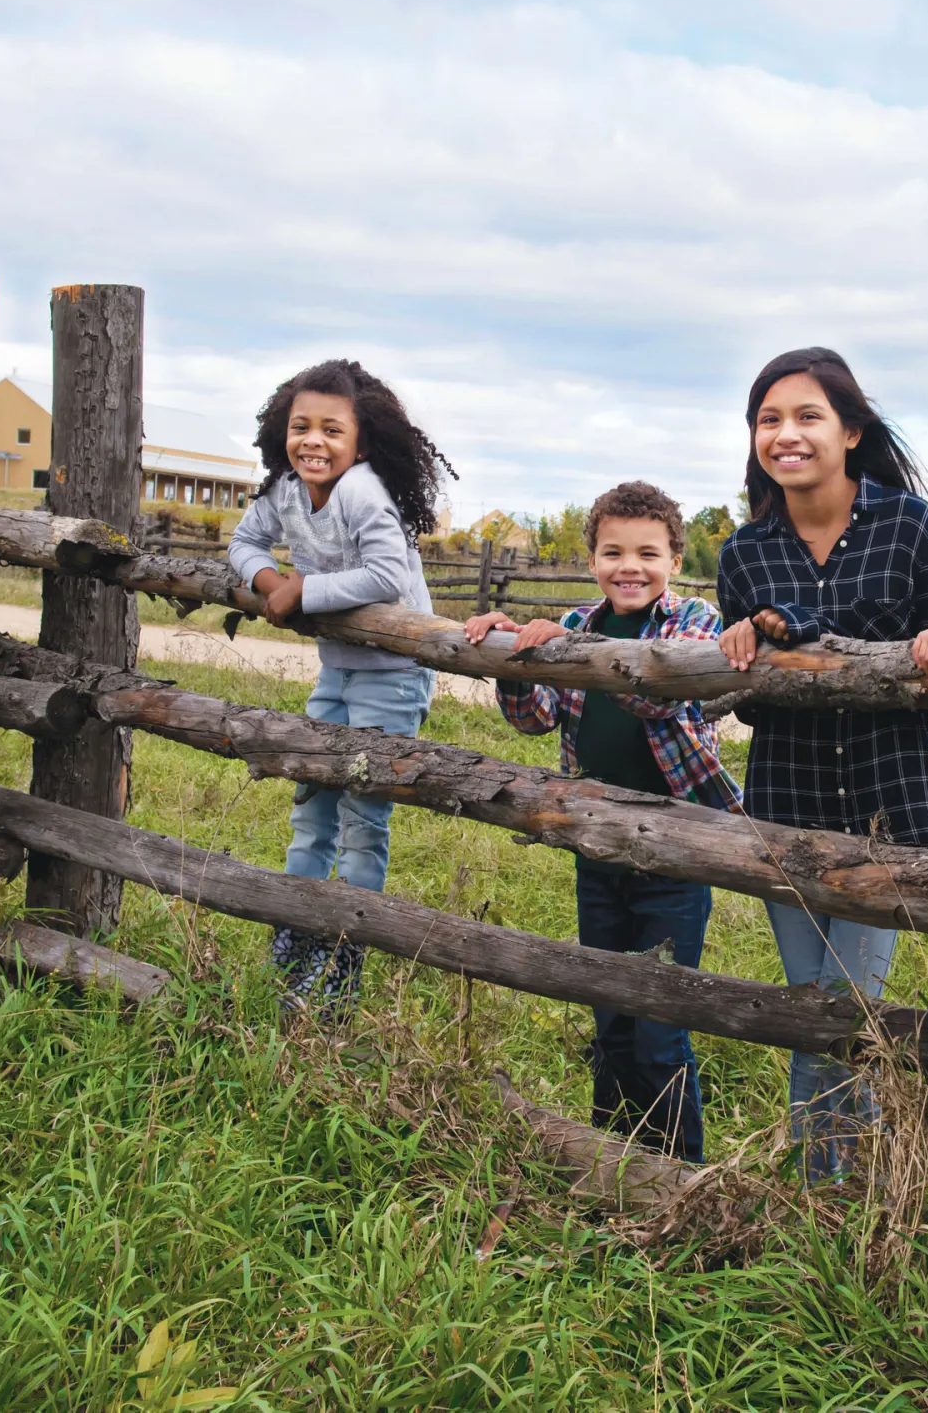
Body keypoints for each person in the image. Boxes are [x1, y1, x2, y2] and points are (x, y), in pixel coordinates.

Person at [715, 347, 928, 1180]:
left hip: (883, 802)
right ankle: (825, 1194)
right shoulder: (744, 553)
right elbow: (748, 701)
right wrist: (752, 646)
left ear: (851, 431)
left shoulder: (907, 525)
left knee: (847, 1010)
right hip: (787, 802)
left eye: (807, 417)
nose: (785, 435)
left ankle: (842, 1191)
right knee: (811, 1010)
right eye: (768, 419)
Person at [463, 481, 739, 1162]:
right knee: (609, 1013)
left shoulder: (695, 622)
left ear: (674, 559)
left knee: (660, 1023)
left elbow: (662, 698)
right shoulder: (578, 619)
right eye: (613, 551)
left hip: (676, 851)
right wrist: (516, 660)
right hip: (597, 847)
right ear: (592, 559)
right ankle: (611, 1163)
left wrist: (579, 649)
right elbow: (536, 720)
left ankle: (678, 1173)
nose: (630, 567)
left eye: (648, 552)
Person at [227, 359, 454, 1019]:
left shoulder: (362, 492)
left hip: (392, 675)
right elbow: (244, 542)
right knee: (311, 803)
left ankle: (346, 966)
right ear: (282, 432)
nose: (313, 442)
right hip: (337, 671)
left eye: (332, 429)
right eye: (301, 427)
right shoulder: (287, 494)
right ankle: (295, 947)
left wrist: (307, 590)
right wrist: (270, 583)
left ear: (361, 441)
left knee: (362, 815)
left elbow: (386, 575)